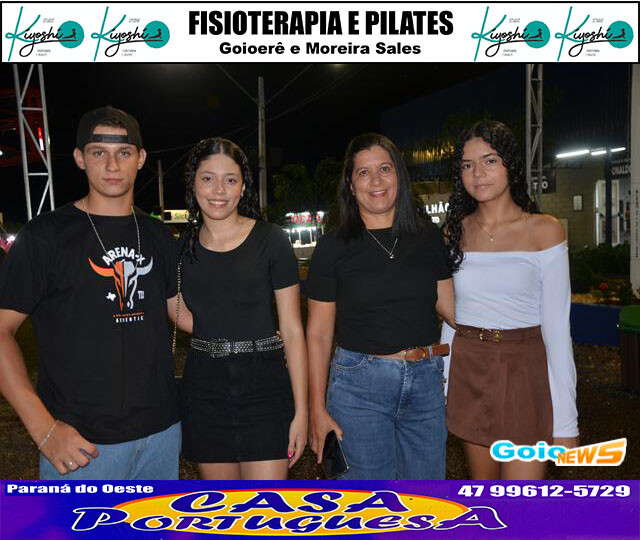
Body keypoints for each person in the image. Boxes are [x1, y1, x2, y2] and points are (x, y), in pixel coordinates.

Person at [0, 106, 181, 480]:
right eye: (99, 152)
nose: (112, 165)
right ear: (80, 158)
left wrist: (257, 324)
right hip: (81, 446)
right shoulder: (45, 236)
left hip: (163, 435)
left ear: (140, 159)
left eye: (124, 152)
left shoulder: (158, 235)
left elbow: (182, 311)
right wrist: (43, 428)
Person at [306, 133, 454, 480]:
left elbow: (452, 310)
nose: (376, 181)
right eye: (364, 172)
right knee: (368, 504)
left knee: (426, 500)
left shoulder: (428, 237)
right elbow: (319, 334)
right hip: (359, 388)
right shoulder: (332, 247)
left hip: (426, 383)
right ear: (350, 185)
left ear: (399, 175)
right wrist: (317, 408)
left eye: (385, 169)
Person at [442, 120, 579, 480]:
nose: (478, 173)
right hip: (469, 369)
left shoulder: (544, 230)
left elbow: (557, 330)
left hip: (525, 372)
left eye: (489, 161)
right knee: (485, 494)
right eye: (468, 165)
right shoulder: (454, 233)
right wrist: (444, 388)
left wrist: (566, 422)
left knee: (522, 502)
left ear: (510, 164)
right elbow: (452, 318)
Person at [175, 137, 307, 480]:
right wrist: (219, 331)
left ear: (243, 186)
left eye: (230, 179)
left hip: (265, 386)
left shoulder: (272, 239)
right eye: (208, 178)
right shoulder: (182, 248)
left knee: (265, 507)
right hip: (205, 388)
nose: (219, 190)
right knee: (222, 508)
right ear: (193, 183)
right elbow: (176, 310)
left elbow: (292, 330)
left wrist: (302, 411)